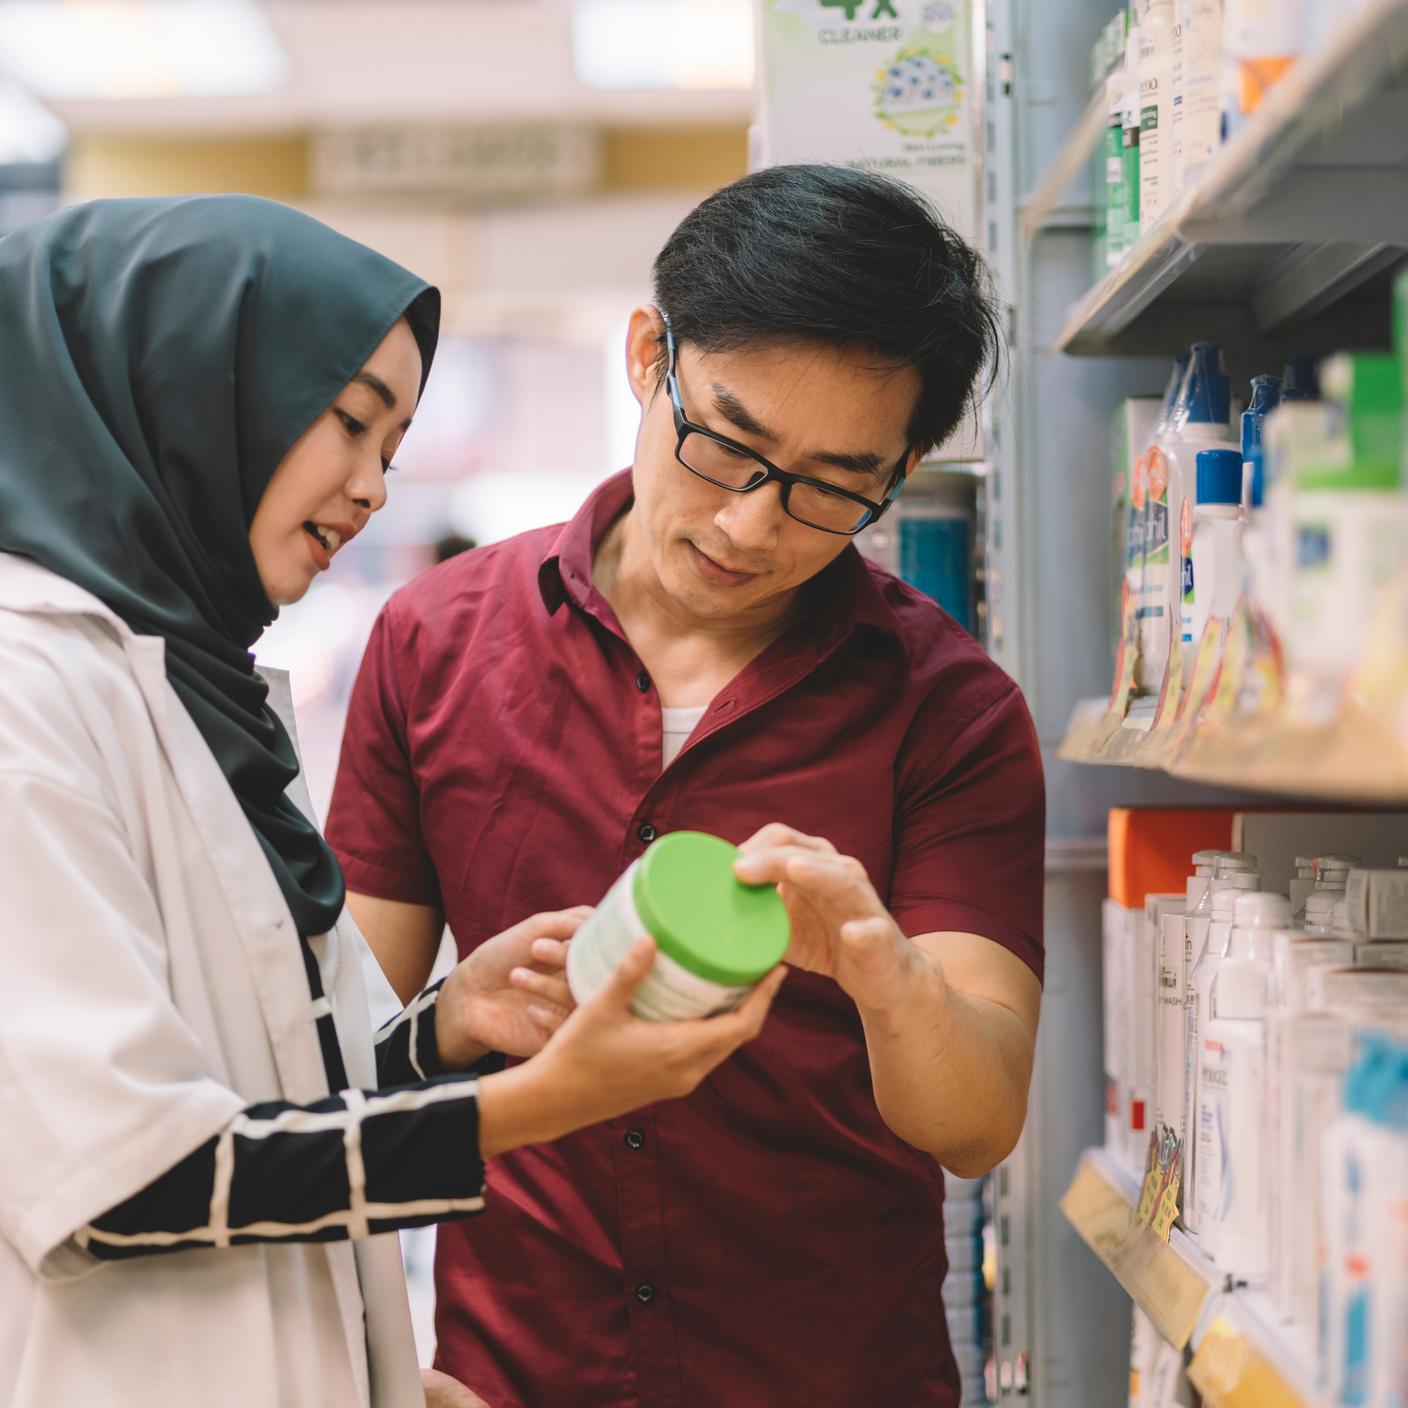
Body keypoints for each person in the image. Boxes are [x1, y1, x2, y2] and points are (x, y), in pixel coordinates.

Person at [0, 194, 784, 1408]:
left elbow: (267, 1099)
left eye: (394, 448)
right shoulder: (25, 694)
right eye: (348, 424)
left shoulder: (192, 684)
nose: (370, 489)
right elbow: (117, 1180)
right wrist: (535, 1107)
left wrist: (447, 1028)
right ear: (177, 388)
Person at [328, 163, 1045, 1407]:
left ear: (905, 463)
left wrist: (884, 969)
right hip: (512, 1376)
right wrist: (449, 1024)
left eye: (833, 486)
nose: (753, 526)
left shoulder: (950, 706)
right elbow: (335, 1043)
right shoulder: (433, 642)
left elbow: (975, 1120)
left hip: (829, 1377)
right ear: (649, 354)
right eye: (728, 445)